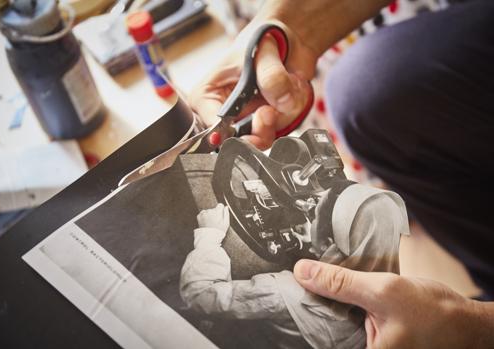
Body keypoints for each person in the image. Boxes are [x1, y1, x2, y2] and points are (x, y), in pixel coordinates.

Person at [189, 0, 494, 347]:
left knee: (367, 85)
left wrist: (473, 327)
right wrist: (290, 28)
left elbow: (204, 296)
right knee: (369, 90)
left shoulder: (286, 285)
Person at [180, 178, 409, 348]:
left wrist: (209, 235)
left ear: (329, 240)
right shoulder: (390, 308)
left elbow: (199, 295)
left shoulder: (283, 292)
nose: (308, 212)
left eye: (315, 214)